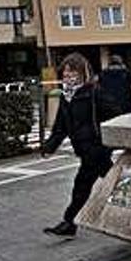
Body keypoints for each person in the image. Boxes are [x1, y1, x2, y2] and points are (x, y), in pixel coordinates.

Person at [41, 53, 121, 237]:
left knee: (82, 186)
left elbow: (115, 113)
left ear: (82, 73)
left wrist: (103, 140)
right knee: (113, 181)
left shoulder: (94, 92)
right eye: (65, 74)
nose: (68, 77)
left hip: (96, 149)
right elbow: (60, 127)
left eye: (72, 73)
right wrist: (49, 146)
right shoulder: (66, 97)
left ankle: (69, 222)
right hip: (84, 150)